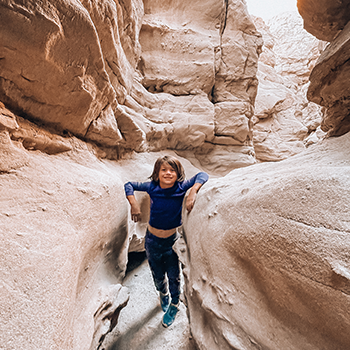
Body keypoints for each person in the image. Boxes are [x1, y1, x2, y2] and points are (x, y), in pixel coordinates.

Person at [124, 155, 209, 327]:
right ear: (157, 173)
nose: (168, 173)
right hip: (152, 241)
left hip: (171, 242)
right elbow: (129, 185)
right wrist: (133, 203)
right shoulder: (152, 187)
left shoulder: (180, 187)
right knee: (157, 274)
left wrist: (193, 190)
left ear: (178, 174)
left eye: (172, 170)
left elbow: (203, 175)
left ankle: (175, 304)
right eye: (164, 170)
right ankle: (163, 294)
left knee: (174, 276)